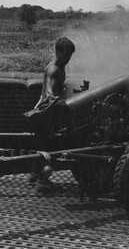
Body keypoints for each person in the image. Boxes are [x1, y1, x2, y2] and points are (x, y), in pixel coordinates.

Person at [30, 37, 76, 193]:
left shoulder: (61, 66)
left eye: (70, 55)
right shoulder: (54, 69)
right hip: (45, 111)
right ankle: (42, 183)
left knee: (43, 145)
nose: (69, 58)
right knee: (48, 147)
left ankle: (34, 174)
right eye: (66, 54)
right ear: (58, 53)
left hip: (50, 110)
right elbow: (49, 94)